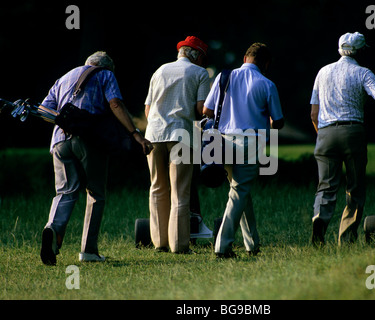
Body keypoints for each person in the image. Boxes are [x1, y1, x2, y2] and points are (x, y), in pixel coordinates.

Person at [39, 51, 152, 265]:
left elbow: (43, 110)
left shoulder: (64, 78)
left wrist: (66, 121)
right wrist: (135, 134)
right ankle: (88, 251)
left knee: (65, 191)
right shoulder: (105, 75)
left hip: (60, 141)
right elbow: (115, 104)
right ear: (105, 67)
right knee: (95, 193)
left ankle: (52, 229)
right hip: (89, 141)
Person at [203, 43, 284, 258]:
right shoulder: (267, 84)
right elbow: (278, 122)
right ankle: (222, 246)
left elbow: (207, 110)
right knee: (239, 192)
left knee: (241, 192)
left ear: (245, 57)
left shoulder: (223, 77)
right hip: (251, 142)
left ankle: (252, 244)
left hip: (224, 140)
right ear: (265, 63)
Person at [309, 32, 375, 246]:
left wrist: (323, 135)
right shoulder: (363, 73)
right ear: (360, 51)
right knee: (354, 188)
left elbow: (313, 114)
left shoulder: (322, 72)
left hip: (325, 133)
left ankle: (320, 218)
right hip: (353, 132)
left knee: (326, 186)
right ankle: (346, 240)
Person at [144, 36, 210, 253]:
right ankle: (179, 245)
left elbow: (148, 109)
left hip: (154, 134)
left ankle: (160, 243)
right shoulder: (200, 73)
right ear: (197, 55)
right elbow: (202, 109)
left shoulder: (160, 70)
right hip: (181, 135)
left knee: (157, 188)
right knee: (180, 192)